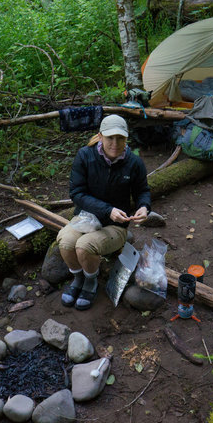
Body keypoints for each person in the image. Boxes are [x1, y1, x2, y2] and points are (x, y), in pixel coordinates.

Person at [57, 115, 151, 311]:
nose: (115, 144)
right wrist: (107, 210)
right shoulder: (85, 156)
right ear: (100, 136)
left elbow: (143, 191)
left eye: (120, 138)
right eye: (110, 138)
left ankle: (91, 281)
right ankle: (78, 278)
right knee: (65, 240)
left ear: (126, 138)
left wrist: (144, 207)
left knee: (84, 246)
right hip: (85, 218)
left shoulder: (134, 163)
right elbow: (76, 193)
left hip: (116, 226)